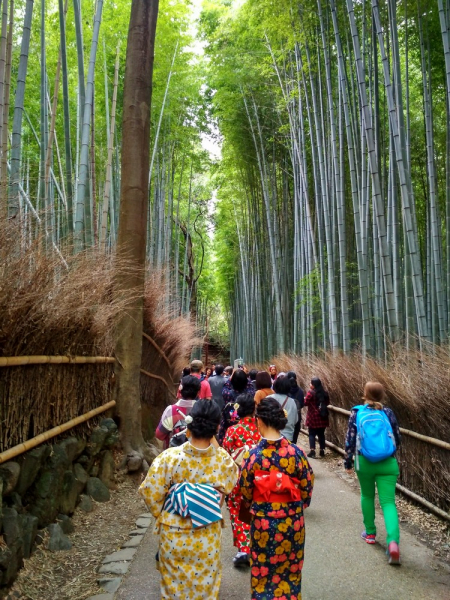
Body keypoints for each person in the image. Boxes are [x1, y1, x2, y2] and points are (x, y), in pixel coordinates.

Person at [139, 400, 239, 599]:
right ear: (217, 427)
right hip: (207, 532)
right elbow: (228, 487)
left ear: (189, 424)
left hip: (173, 532)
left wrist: (167, 511)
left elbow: (150, 492)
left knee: (173, 587)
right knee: (205, 587)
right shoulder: (223, 460)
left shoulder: (169, 458)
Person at [239, 397, 314, 600]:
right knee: (291, 570)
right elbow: (307, 488)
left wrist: (257, 503)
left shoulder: (253, 456)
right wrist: (296, 504)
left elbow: (245, 490)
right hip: (292, 521)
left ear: (260, 421)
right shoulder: (296, 453)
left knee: (263, 570)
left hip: (263, 521)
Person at [344, 381, 402, 565]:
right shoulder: (388, 413)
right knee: (388, 502)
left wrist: (348, 462)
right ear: (382, 395)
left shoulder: (356, 413)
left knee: (367, 496)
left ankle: (370, 533)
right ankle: (393, 543)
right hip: (388, 463)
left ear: (365, 394)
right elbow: (397, 438)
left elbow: (350, 440)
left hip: (365, 462)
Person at [222, 393, 261, 568]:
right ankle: (258, 546)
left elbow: (226, 454)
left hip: (238, 477)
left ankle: (244, 548)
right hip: (260, 477)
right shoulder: (262, 429)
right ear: (254, 410)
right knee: (257, 510)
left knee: (238, 512)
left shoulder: (233, 431)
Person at [156, 375, 200, 449]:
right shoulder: (203, 410)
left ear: (180, 389)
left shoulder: (171, 410)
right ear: (198, 392)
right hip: (196, 454)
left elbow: (159, 435)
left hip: (173, 454)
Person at [218, 369, 255, 445]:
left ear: (232, 381)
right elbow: (250, 385)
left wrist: (231, 377)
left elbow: (226, 385)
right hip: (246, 426)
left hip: (229, 423)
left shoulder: (227, 393)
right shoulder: (250, 394)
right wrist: (243, 376)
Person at [267, 375, 298, 442]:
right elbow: (295, 420)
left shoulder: (269, 399)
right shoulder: (292, 402)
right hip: (287, 438)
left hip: (271, 436)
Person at [304, 377, 330, 458]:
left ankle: (312, 451)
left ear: (314, 385)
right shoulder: (325, 393)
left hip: (313, 417)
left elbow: (305, 402)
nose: (310, 385)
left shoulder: (310, 393)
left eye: (311, 383)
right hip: (323, 417)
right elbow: (327, 403)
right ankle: (322, 450)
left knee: (311, 434)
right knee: (321, 434)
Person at [287, 371, 305, 444]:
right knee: (295, 432)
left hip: (287, 414)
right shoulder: (300, 391)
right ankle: (294, 446)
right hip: (297, 415)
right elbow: (302, 404)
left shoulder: (286, 390)